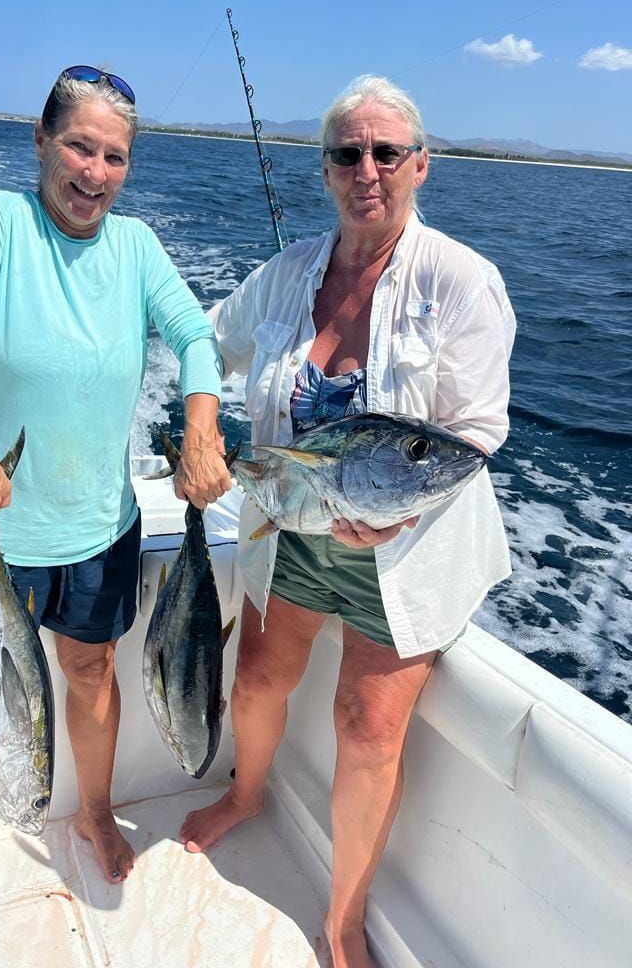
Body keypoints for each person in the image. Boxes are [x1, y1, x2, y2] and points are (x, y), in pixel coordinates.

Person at [180, 75, 515, 968]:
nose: (366, 169)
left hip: (407, 549)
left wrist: (393, 519)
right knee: (254, 682)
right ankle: (249, 795)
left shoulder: (463, 281)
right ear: (325, 169)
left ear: (420, 166)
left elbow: (477, 433)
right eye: (346, 153)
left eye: (385, 152)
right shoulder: (289, 272)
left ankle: (344, 917)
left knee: (367, 729)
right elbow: (204, 338)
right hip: (294, 526)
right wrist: (199, 424)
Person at [0, 65, 231, 918]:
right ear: (40, 140)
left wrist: (200, 429)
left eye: (114, 157)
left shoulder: (138, 248)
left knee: (92, 674)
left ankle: (92, 811)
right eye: (79, 146)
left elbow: (194, 335)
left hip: (97, 529)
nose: (94, 172)